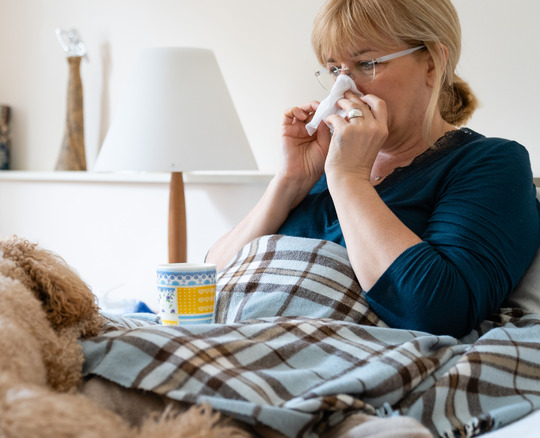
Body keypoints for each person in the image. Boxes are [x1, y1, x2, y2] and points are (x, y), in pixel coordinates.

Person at [206, 0, 540, 338]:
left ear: (431, 63)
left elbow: (438, 312)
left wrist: (349, 179)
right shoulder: (323, 164)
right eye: (335, 69)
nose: (343, 88)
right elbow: (203, 286)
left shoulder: (489, 162)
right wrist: (290, 181)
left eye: (366, 63)